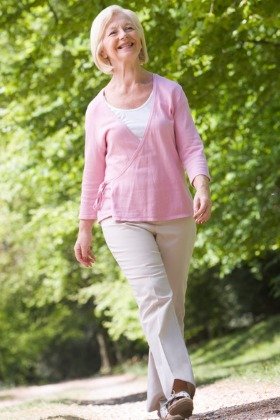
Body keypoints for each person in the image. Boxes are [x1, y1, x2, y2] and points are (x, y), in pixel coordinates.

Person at [74, 5, 211, 419]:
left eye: (129, 28)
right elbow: (92, 173)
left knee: (171, 306)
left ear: (139, 39)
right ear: (103, 48)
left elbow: (190, 146)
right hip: (121, 216)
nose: (123, 34)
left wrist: (201, 184)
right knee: (155, 297)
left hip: (174, 211)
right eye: (113, 31)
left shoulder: (170, 92)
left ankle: (163, 401)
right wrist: (85, 227)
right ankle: (181, 384)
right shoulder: (97, 109)